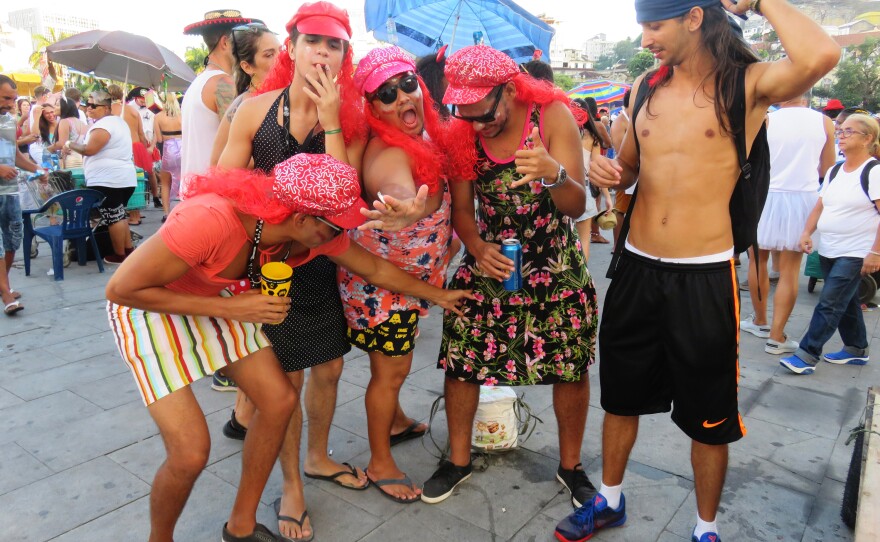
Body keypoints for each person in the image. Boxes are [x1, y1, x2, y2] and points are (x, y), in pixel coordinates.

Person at [567, 1, 840, 541]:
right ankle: (610, 500)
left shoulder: (747, 85)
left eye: (654, 26)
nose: (645, 39)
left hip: (703, 275)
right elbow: (630, 169)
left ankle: (704, 528)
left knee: (710, 414)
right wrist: (607, 171)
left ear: (693, 18)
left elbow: (822, 54)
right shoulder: (646, 84)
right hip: (638, 267)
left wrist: (760, 1)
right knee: (620, 396)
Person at [106, 151, 471, 542]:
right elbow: (122, 289)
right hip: (148, 308)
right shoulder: (209, 220)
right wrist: (233, 307)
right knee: (191, 452)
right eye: (337, 226)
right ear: (300, 218)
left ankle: (241, 527)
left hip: (216, 301)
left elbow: (374, 268)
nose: (342, 234)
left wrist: (438, 294)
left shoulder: (307, 237)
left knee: (279, 401)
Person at [217, 3, 379, 539]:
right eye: (313, 42)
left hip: (323, 260)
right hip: (269, 263)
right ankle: (291, 484)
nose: (322, 53)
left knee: (329, 368)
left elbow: (341, 198)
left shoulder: (351, 124)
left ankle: (318, 456)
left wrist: (332, 121)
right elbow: (222, 188)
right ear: (291, 48)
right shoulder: (254, 109)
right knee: (285, 380)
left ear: (344, 57)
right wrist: (271, 227)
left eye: (334, 45)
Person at [426, 44, 599, 508]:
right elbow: (463, 210)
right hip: (493, 258)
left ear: (508, 89)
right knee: (461, 356)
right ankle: (458, 460)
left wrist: (553, 172)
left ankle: (572, 466)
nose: (479, 126)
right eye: (468, 116)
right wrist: (478, 248)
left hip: (554, 261)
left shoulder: (553, 113)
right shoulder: (463, 129)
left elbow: (577, 206)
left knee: (570, 365)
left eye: (486, 114)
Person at [336, 46, 451, 503]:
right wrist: (407, 207)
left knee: (394, 371)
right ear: (371, 107)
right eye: (386, 93)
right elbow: (397, 188)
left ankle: (398, 420)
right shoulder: (386, 152)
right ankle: (380, 461)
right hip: (385, 291)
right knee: (390, 373)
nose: (402, 95)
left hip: (405, 284)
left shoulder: (421, 137)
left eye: (406, 84)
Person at [780, 114, 880, 375]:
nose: (841, 135)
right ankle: (857, 348)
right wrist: (806, 231)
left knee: (829, 303)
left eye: (849, 132)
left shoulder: (874, 171)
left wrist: (875, 252)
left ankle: (807, 354)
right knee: (844, 302)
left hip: (856, 251)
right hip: (830, 248)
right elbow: (820, 205)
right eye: (840, 131)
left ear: (868, 138)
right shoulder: (836, 169)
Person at [740, 94, 836, 354]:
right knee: (790, 270)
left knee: (757, 260)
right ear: (805, 97)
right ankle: (776, 335)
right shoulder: (824, 122)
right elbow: (827, 168)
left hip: (765, 195)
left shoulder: (767, 119)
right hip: (803, 197)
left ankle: (759, 321)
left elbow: (749, 161)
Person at [180, 9, 255, 199]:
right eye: (241, 40)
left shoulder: (197, 83)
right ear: (225, 42)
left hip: (195, 196)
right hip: (212, 198)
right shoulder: (223, 84)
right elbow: (238, 148)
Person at [65, 90, 137, 265]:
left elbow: (90, 149)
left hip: (108, 180)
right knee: (119, 215)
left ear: (105, 108)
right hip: (122, 178)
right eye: (87, 104)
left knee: (113, 217)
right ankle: (128, 252)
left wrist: (69, 144)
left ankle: (119, 255)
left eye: (93, 105)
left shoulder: (104, 125)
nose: (88, 108)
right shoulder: (118, 122)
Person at [0, 74, 44, 315]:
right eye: (6, 98)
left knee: (12, 240)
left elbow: (15, 156)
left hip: (10, 191)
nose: (9, 103)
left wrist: (38, 169)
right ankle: (6, 293)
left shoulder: (9, 122)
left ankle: (3, 284)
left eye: (13, 99)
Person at [208, 20, 281, 166]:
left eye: (281, 50)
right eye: (269, 55)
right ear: (247, 67)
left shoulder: (282, 97)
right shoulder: (244, 104)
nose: (280, 58)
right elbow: (217, 166)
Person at [609, 89, 635, 245]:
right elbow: (621, 151)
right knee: (620, 209)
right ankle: (618, 244)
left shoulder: (633, 118)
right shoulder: (621, 121)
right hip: (624, 172)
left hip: (637, 172)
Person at [153, 92, 182, 222]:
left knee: (165, 183)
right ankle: (182, 211)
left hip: (169, 149)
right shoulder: (183, 115)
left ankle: (166, 213)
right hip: (183, 149)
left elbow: (159, 138)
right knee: (184, 181)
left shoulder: (158, 117)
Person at [49, 96, 87, 169]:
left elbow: (62, 143)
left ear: (65, 107)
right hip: (80, 158)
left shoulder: (65, 121)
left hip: (70, 159)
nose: (54, 107)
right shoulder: (80, 122)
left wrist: (49, 149)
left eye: (57, 105)